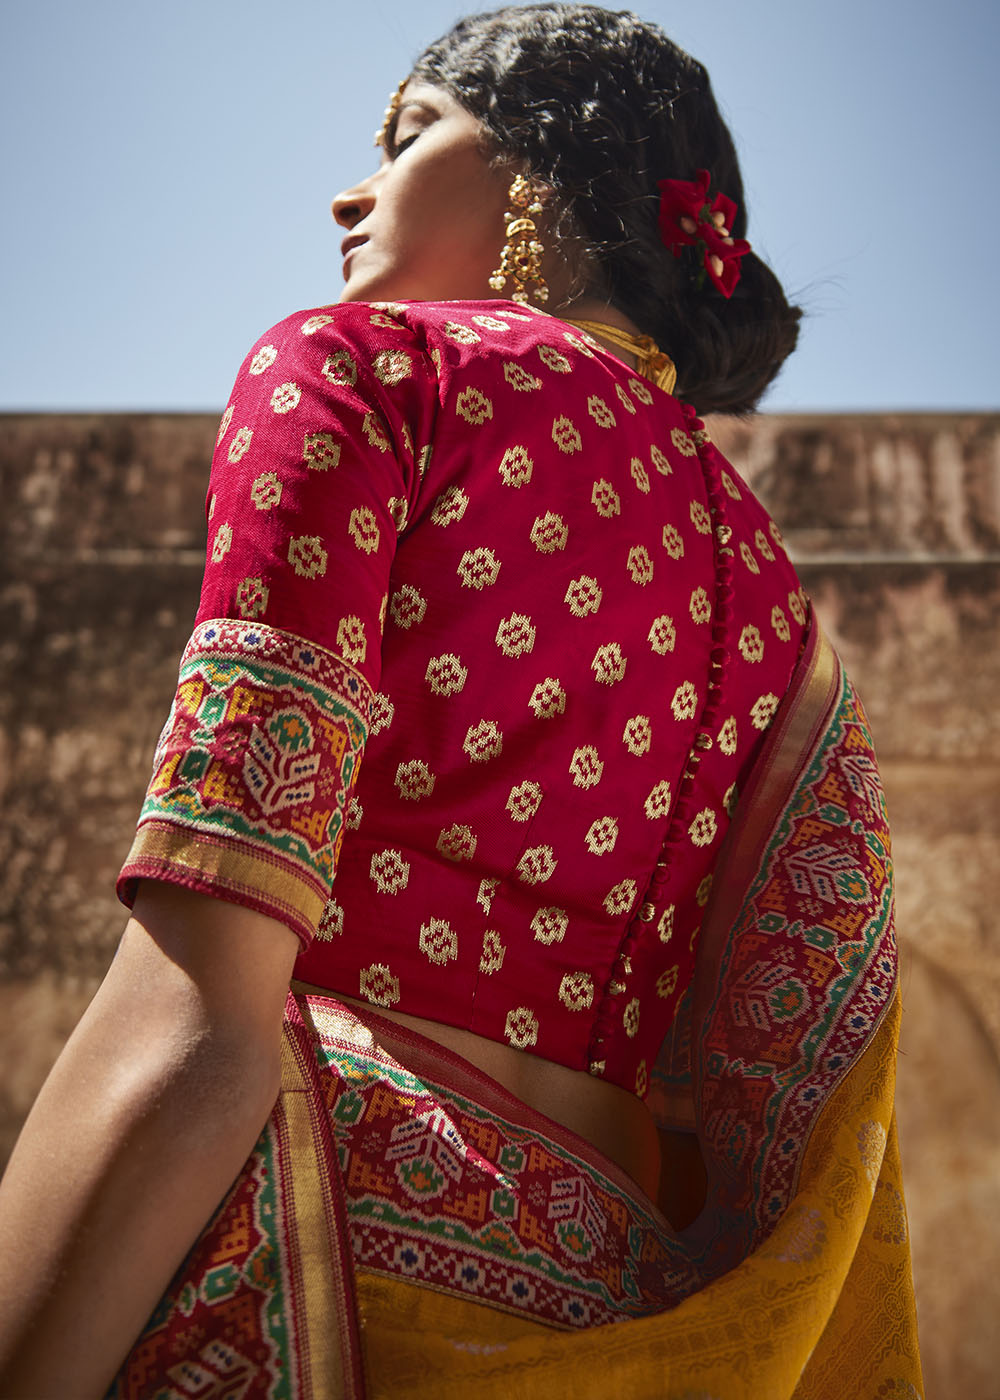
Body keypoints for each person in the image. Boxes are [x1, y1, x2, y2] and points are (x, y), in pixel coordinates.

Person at [0, 5, 922, 1397]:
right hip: (623, 1303)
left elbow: (199, 1007)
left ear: (541, 174)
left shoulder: (369, 377)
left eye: (408, 130)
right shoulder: (768, 588)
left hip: (321, 1268)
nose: (350, 184)